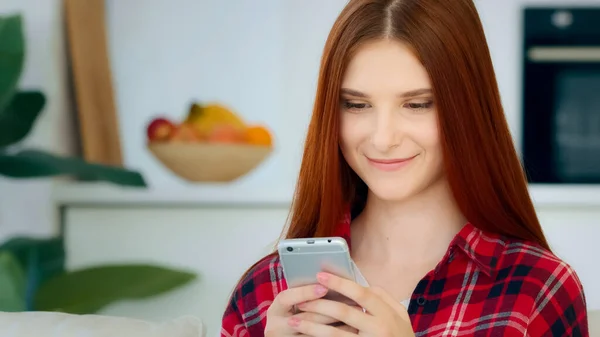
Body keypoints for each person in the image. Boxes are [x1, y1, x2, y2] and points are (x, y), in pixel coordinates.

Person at [221, 0, 589, 336]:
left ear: (468, 108)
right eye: (356, 105)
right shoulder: (264, 294)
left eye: (417, 104)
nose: (383, 138)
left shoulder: (536, 289)